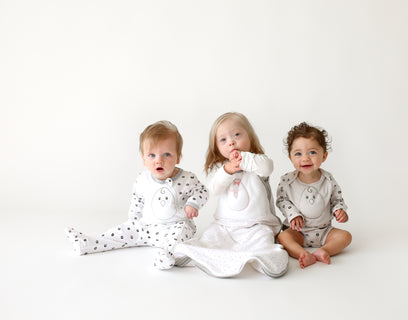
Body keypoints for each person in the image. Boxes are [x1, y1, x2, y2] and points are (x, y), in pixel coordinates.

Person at [64, 121, 208, 270]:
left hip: (175, 226)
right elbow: (137, 200)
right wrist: (133, 221)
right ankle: (88, 243)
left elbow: (202, 191)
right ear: (144, 159)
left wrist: (193, 203)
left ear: (178, 157)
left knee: (179, 237)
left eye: (167, 154)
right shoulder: (142, 180)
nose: (159, 160)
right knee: (118, 233)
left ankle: (168, 255)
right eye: (152, 155)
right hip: (146, 228)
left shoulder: (186, 178)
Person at [175, 112, 288, 278]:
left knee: (263, 238)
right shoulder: (221, 168)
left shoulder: (257, 163)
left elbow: (268, 167)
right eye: (223, 140)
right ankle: (198, 254)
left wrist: (244, 160)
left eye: (237, 135)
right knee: (210, 236)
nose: (231, 142)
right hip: (225, 225)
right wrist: (228, 170)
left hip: (257, 224)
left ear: (250, 138)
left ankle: (262, 260)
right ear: (217, 147)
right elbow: (214, 189)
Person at [276, 122, 352, 268]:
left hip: (324, 231)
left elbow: (337, 199)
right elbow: (281, 200)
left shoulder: (329, 180)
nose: (305, 158)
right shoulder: (287, 181)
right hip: (298, 232)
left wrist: (339, 210)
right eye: (298, 154)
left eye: (312, 152)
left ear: (324, 156)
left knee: (346, 236)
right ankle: (302, 254)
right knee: (282, 237)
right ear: (290, 157)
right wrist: (293, 214)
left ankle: (324, 251)